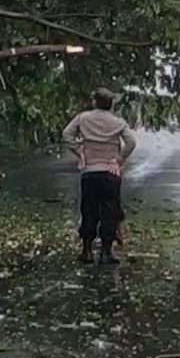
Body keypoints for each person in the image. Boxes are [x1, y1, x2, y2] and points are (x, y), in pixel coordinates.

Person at [63, 87, 137, 264]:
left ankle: (87, 250)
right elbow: (131, 142)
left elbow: (67, 134)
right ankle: (106, 252)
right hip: (110, 173)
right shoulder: (118, 122)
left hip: (89, 172)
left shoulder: (83, 118)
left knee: (88, 210)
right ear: (110, 104)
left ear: (95, 102)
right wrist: (118, 159)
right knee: (109, 211)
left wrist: (79, 152)